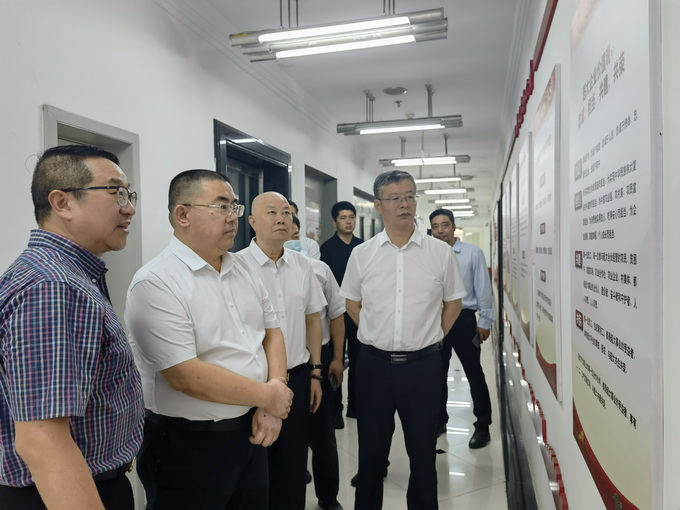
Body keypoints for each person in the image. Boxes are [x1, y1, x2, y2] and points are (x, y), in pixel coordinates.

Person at [125, 170, 293, 509]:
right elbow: (186, 376)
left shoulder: (242, 268)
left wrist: (271, 398)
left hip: (250, 431)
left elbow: (271, 332)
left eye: (235, 207)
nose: (233, 217)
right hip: (188, 446)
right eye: (221, 207)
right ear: (183, 214)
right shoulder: (157, 282)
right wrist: (271, 396)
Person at [0, 144, 144, 509]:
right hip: (59, 492)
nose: (129, 207)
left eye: (129, 195)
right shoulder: (52, 286)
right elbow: (43, 441)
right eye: (115, 193)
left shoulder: (72, 275)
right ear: (62, 203)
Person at [340, 170, 466, 510]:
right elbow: (351, 302)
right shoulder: (363, 254)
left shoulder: (439, 252)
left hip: (423, 367)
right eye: (395, 198)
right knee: (370, 457)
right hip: (373, 367)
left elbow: (454, 301)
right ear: (379, 205)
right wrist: (372, 329)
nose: (405, 204)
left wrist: (435, 333)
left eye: (410, 196)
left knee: (424, 457)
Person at [239, 192, 325, 510]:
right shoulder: (236, 266)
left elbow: (313, 319)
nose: (280, 219)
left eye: (286, 213)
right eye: (272, 212)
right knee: (254, 466)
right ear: (251, 221)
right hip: (253, 384)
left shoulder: (303, 266)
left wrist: (316, 371)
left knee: (292, 465)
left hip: (299, 377)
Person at [429, 208, 494, 449]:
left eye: (444, 225)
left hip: (465, 320)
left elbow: (483, 288)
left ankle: (483, 426)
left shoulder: (472, 253)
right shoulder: (428, 253)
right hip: (436, 320)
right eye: (435, 226)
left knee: (474, 373)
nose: (440, 231)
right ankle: (439, 421)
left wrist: (484, 321)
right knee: (436, 374)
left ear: (453, 227)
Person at [320, 201, 363, 427]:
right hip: (335, 313)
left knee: (358, 359)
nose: (348, 221)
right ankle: (335, 409)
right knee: (335, 360)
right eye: (343, 217)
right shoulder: (326, 249)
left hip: (357, 311)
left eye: (351, 217)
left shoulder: (363, 247)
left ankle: (355, 405)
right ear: (335, 221)